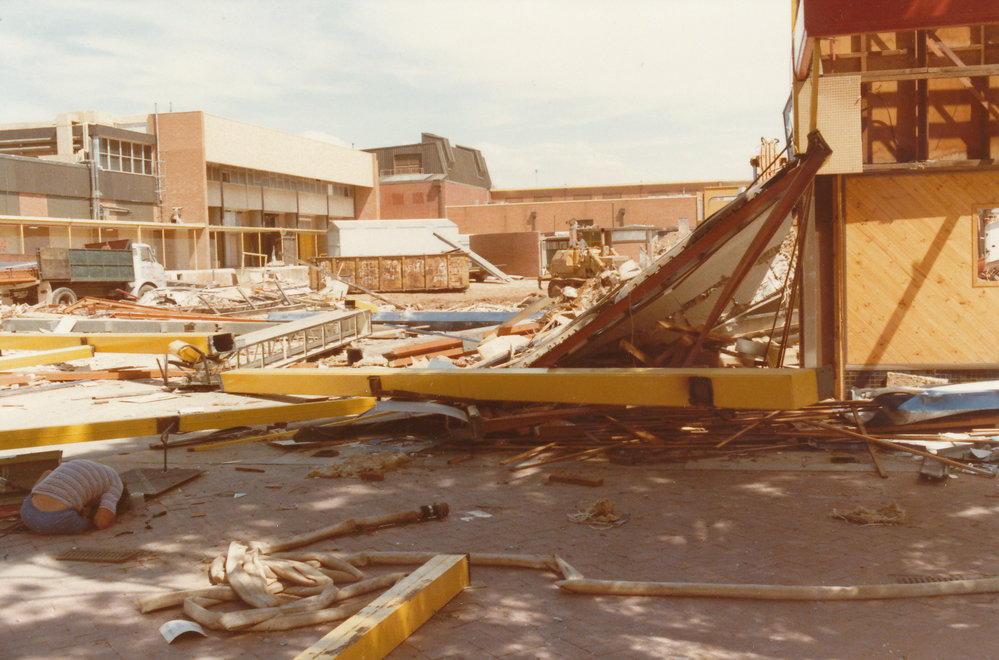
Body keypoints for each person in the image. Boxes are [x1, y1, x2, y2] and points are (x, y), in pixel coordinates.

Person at [20, 459, 127, 534]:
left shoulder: (89, 465)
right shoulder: (116, 483)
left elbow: (46, 473)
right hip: (53, 520)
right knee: (86, 523)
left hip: (26, 511)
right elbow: (101, 523)